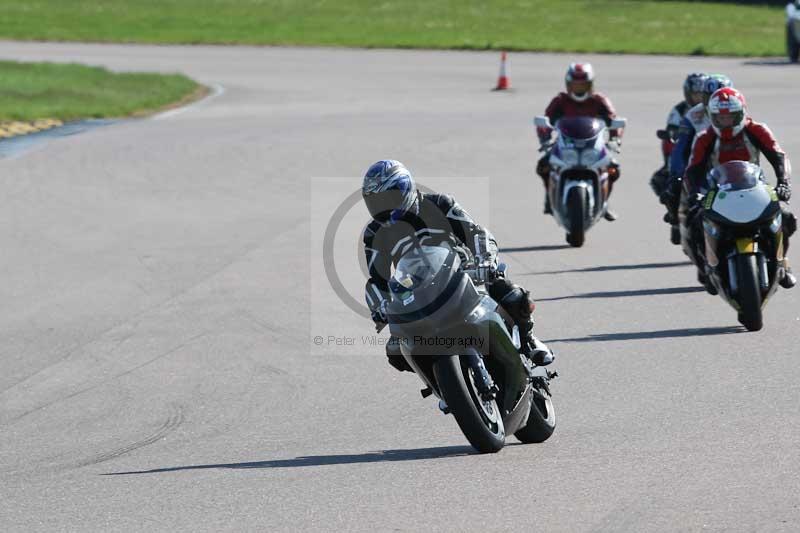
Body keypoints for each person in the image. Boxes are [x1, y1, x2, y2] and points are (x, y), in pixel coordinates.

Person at [361, 160, 554, 372]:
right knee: (396, 350)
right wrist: (381, 307)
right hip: (417, 294)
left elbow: (476, 232)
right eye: (378, 202)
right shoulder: (374, 234)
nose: (385, 207)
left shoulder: (439, 204)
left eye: (390, 198)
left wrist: (485, 261)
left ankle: (528, 340)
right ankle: (442, 386)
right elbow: (376, 280)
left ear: (405, 188)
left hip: (462, 274)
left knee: (511, 294)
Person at [684, 87, 796, 289]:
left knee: (786, 217)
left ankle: (782, 263)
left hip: (756, 188)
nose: (725, 122)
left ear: (742, 113)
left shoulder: (757, 130)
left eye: (730, 117)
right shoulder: (704, 137)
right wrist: (694, 194)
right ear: (712, 117)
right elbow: (693, 170)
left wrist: (783, 183)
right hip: (718, 192)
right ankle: (706, 268)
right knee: (693, 222)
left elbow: (778, 156)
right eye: (720, 118)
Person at [536, 63, 623, 220]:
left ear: (591, 85)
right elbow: (546, 121)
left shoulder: (600, 101)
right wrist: (545, 138)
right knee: (543, 166)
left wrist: (615, 138)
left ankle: (604, 202)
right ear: (568, 85)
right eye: (575, 86)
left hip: (594, 145)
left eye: (583, 85)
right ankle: (549, 198)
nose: (579, 89)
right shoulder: (560, 101)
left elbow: (613, 120)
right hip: (565, 144)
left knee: (614, 169)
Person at [661, 74, 734, 223]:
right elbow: (680, 147)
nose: (718, 102)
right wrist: (677, 174)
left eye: (723, 97)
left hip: (733, 167)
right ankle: (677, 221)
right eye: (711, 97)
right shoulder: (693, 115)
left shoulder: (739, 114)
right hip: (701, 164)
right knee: (675, 187)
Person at [651, 73, 708, 196]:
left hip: (707, 145)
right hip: (687, 146)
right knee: (660, 179)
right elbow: (671, 126)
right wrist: (673, 133)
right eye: (695, 94)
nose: (698, 98)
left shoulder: (711, 109)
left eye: (701, 94)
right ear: (688, 93)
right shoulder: (680, 109)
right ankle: (672, 200)